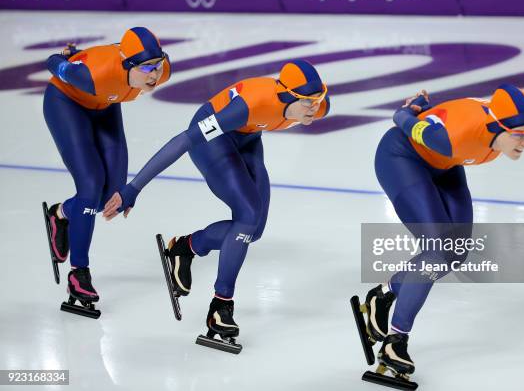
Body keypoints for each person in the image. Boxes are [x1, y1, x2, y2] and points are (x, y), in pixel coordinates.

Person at [103, 59, 330, 341]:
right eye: (308, 101)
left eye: (318, 97)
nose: (315, 107)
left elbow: (315, 102)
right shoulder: (249, 105)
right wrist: (133, 189)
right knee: (247, 216)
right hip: (213, 138)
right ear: (287, 95)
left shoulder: (315, 104)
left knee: (253, 230)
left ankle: (185, 248)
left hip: (247, 139)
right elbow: (184, 141)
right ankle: (220, 307)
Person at [359, 85, 524, 379]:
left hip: (446, 165)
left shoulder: (494, 125)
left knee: (455, 254)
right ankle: (396, 341)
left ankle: (384, 293)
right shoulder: (452, 138)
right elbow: (401, 117)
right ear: (497, 126)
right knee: (436, 252)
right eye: (520, 135)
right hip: (402, 159)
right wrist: (413, 107)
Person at [43, 27, 171, 306]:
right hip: (67, 102)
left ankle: (61, 214)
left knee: (110, 197)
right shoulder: (92, 75)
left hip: (107, 104)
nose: (154, 75)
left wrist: (156, 64)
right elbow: (52, 63)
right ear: (127, 65)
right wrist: (66, 57)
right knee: (90, 185)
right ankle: (79, 274)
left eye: (157, 65)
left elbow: (128, 52)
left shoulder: (162, 69)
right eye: (147, 68)